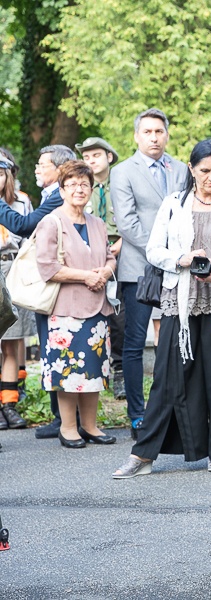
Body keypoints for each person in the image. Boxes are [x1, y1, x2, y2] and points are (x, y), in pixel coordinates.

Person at [112, 139, 211, 478]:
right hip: (179, 301)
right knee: (168, 378)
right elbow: (154, 250)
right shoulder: (174, 204)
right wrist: (182, 259)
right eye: (205, 171)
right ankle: (143, 454)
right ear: (191, 169)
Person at [110, 108, 187, 439]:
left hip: (178, 268)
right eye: (148, 132)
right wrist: (162, 253)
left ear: (167, 135)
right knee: (134, 344)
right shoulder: (122, 171)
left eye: (159, 131)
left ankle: (173, 409)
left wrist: (177, 257)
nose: (154, 137)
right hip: (139, 267)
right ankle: (138, 414)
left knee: (174, 341)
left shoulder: (182, 169)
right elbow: (126, 223)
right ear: (136, 136)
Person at [34, 160, 117, 449]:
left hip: (97, 308)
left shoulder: (96, 223)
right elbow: (47, 267)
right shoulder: (51, 221)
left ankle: (91, 426)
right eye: (72, 184)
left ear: (91, 189)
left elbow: (109, 256)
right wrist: (86, 277)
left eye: (85, 184)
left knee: (94, 370)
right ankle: (68, 428)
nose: (79, 189)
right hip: (66, 310)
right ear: (62, 189)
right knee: (67, 372)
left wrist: (105, 272)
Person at [0, 144, 76, 439]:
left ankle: (65, 418)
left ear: (59, 169)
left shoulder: (57, 195)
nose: (36, 168)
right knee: (50, 347)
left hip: (56, 278)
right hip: (46, 277)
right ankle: (60, 416)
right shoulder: (50, 195)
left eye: (42, 164)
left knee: (55, 345)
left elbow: (24, 225)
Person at [76, 137, 126, 401]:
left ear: (109, 156)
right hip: (89, 258)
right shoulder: (82, 187)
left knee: (119, 318)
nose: (91, 160)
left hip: (122, 252)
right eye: (86, 156)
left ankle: (119, 373)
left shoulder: (122, 183)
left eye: (96, 155)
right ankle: (92, 373)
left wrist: (122, 242)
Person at [0, 151, 35, 430]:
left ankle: (9, 405)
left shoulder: (21, 201)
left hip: (12, 269)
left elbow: (29, 236)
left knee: (12, 342)